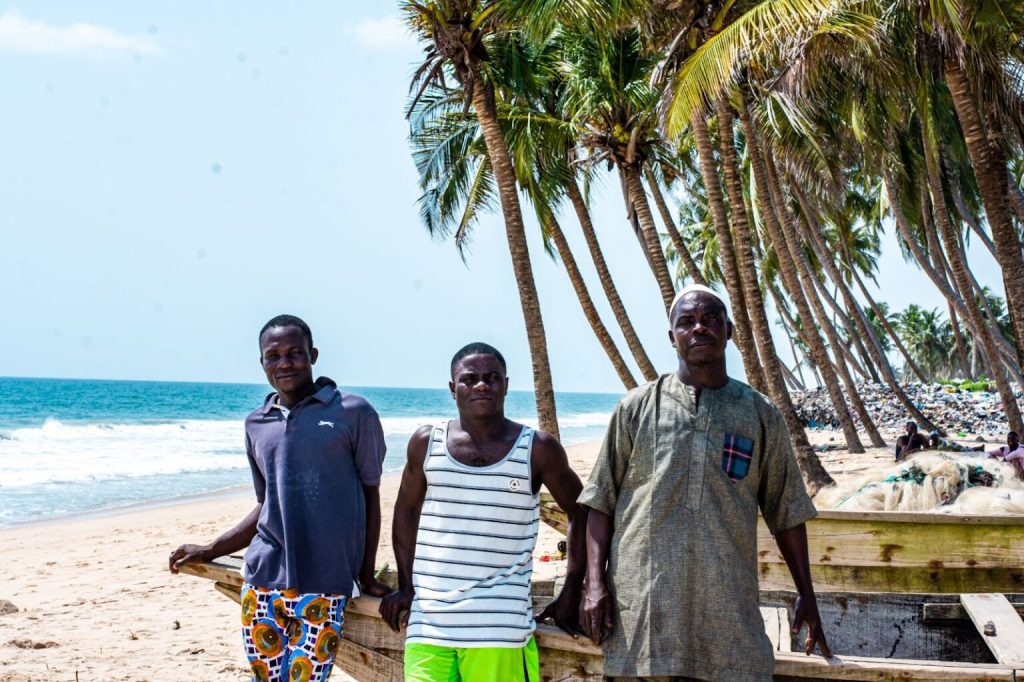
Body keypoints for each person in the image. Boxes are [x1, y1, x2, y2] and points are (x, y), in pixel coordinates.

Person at [579, 284, 831, 681]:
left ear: (729, 331)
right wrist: (594, 587)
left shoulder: (759, 414)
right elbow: (600, 502)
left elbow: (787, 512)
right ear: (672, 337)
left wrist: (808, 593)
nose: (699, 328)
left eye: (710, 319)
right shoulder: (636, 407)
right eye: (687, 322)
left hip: (726, 611)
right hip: (643, 614)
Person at [169, 315, 391, 682]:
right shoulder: (256, 423)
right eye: (273, 355)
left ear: (313, 355)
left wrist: (364, 574)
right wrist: (210, 548)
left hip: (325, 584)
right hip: (261, 581)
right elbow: (266, 505)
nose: (284, 363)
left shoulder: (354, 413)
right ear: (262, 363)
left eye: (294, 353)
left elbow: (371, 495)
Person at [380, 342, 587, 682]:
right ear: (452, 388)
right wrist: (405, 586)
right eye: (470, 378)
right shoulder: (425, 443)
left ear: (505, 385)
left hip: (500, 630)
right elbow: (406, 513)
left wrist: (571, 591)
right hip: (429, 626)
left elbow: (582, 513)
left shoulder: (537, 448)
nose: (481, 385)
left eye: (491, 378)